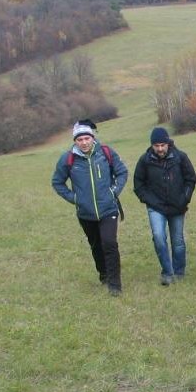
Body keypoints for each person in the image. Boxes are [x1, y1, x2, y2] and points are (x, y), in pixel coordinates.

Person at [51, 120, 128, 296]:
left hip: (108, 209)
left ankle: (115, 284)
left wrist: (113, 192)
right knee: (96, 245)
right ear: (75, 141)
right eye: (80, 140)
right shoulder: (68, 159)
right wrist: (75, 199)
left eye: (87, 138)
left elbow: (122, 172)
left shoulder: (106, 152)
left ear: (92, 138)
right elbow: (57, 182)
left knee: (109, 243)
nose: (84, 142)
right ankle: (104, 274)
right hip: (85, 213)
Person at [132, 126, 196, 285]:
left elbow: (191, 179)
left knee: (178, 241)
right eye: (156, 146)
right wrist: (150, 200)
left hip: (177, 206)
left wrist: (185, 198)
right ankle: (167, 272)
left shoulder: (181, 157)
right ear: (152, 145)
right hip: (156, 207)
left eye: (162, 145)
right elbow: (138, 185)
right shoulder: (144, 161)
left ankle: (179, 271)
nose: (160, 149)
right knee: (159, 237)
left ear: (168, 143)